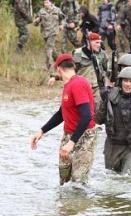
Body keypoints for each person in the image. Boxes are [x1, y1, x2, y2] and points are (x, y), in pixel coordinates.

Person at [30, 53, 97, 185]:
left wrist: (72, 143)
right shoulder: (69, 85)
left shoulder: (78, 84)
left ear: (59, 69)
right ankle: (65, 206)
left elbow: (86, 116)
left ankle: (79, 204)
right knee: (64, 181)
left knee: (78, 182)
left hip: (85, 137)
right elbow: (61, 114)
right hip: (69, 135)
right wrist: (41, 131)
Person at [73, 32, 108, 105]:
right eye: (97, 43)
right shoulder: (77, 53)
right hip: (82, 87)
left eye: (100, 43)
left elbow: (106, 69)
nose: (99, 45)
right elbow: (72, 71)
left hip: (97, 87)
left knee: (99, 107)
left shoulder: (102, 54)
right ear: (89, 42)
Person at [33, 0, 64, 75]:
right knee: (52, 49)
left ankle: (49, 67)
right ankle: (59, 62)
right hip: (45, 33)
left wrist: (61, 25)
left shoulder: (57, 10)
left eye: (47, 2)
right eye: (44, 2)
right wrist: (36, 21)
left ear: (51, 3)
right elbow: (35, 23)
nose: (45, 4)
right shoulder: (41, 11)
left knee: (48, 49)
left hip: (53, 32)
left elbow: (62, 18)